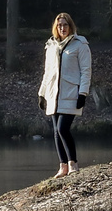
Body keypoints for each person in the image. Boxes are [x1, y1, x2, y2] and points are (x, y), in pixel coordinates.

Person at [38, 13, 90, 177]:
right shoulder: (51, 46)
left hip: (71, 92)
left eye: (65, 25)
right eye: (59, 25)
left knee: (62, 128)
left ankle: (73, 163)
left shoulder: (80, 44)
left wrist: (83, 93)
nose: (62, 28)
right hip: (54, 93)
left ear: (71, 26)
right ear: (56, 27)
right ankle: (63, 166)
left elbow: (86, 71)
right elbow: (47, 72)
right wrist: (42, 93)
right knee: (55, 130)